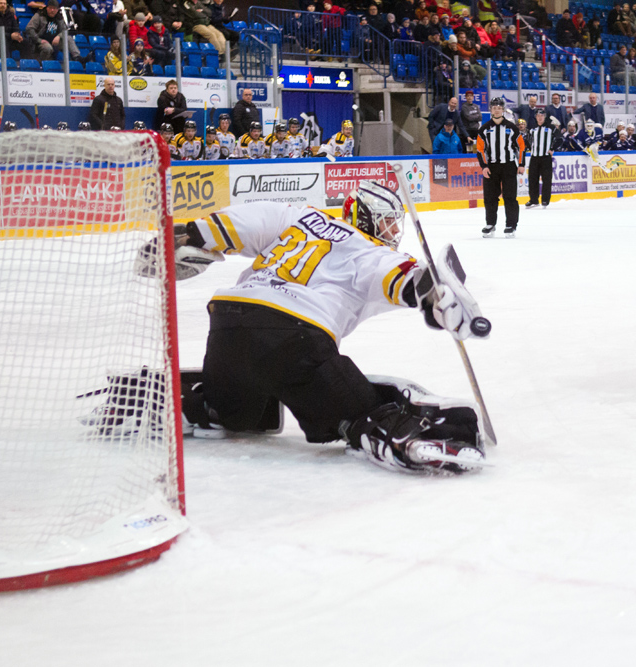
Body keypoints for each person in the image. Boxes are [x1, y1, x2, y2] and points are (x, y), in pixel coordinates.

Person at [164, 183, 486, 474]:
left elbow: (251, 220)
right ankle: (391, 431)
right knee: (356, 410)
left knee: (238, 415)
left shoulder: (301, 217)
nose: (393, 229)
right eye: (386, 220)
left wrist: (196, 234)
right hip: (294, 336)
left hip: (227, 328)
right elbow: (403, 278)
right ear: (364, 217)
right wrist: (434, 297)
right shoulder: (371, 252)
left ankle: (196, 401)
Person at [476, 97, 525, 237]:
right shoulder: (484, 129)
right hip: (491, 167)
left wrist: (521, 164)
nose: (496, 110)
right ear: (490, 110)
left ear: (503, 110)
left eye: (499, 108)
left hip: (509, 166)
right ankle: (490, 224)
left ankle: (511, 225)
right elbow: (480, 150)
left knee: (510, 197)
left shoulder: (512, 128)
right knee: (490, 197)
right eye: (494, 107)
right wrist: (484, 166)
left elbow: (521, 147)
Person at [525, 106, 558, 210]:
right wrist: (530, 148)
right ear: (535, 117)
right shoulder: (532, 129)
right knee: (532, 179)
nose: (540, 118)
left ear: (545, 117)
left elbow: (559, 139)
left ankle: (545, 200)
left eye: (542, 115)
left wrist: (552, 148)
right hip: (534, 157)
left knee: (546, 179)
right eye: (538, 115)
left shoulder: (551, 128)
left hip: (545, 157)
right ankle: (533, 199)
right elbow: (528, 141)